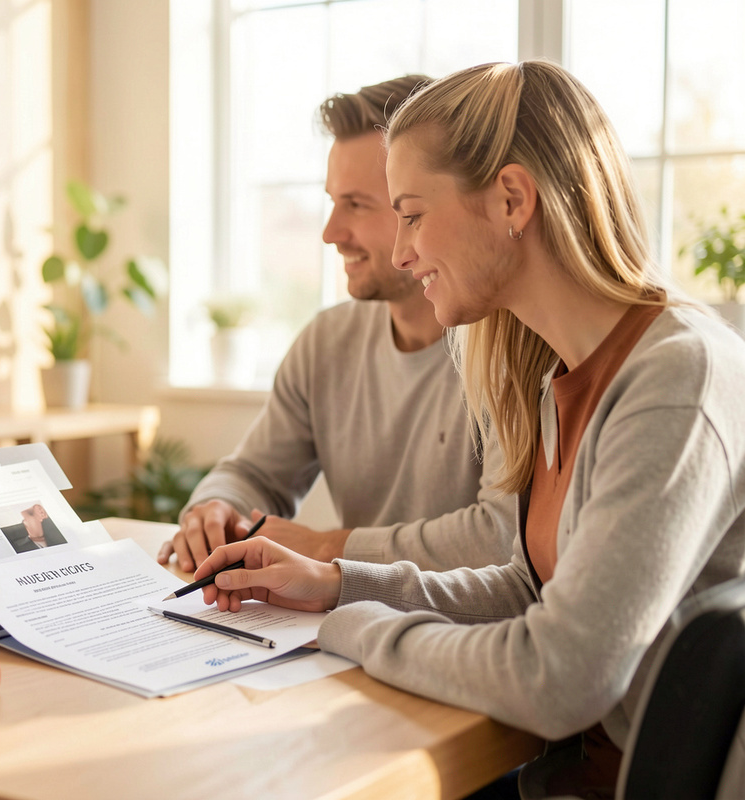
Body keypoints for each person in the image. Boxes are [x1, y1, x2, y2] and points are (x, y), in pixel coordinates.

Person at [193, 60, 745, 797]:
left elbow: (557, 677)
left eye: (412, 213)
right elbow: (529, 584)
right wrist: (334, 583)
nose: (399, 250)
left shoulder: (678, 377)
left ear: (512, 198)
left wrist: (344, 625)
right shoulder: (562, 373)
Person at [160, 75, 514, 574]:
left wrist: (327, 547)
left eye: (357, 204)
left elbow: (499, 541)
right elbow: (256, 472)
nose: (330, 233)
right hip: (347, 627)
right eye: (331, 201)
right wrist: (216, 508)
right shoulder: (328, 341)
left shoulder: (511, 348)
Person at [1, 503, 66, 552]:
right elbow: (24, 512)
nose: (41, 516)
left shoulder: (58, 538)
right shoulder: (16, 546)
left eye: (42, 516)